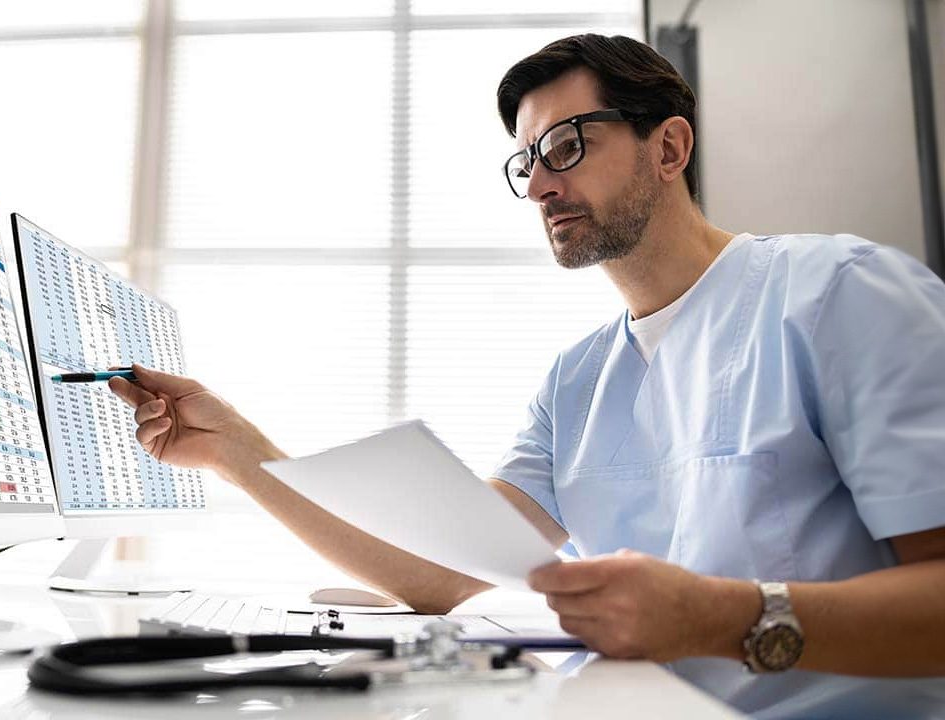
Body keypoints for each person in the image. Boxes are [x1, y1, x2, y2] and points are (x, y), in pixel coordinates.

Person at [109, 33, 945, 718]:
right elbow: (440, 573)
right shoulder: (577, 382)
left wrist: (717, 618)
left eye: (566, 146)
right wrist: (235, 452)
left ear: (669, 145)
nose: (542, 184)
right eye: (527, 165)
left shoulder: (840, 294)